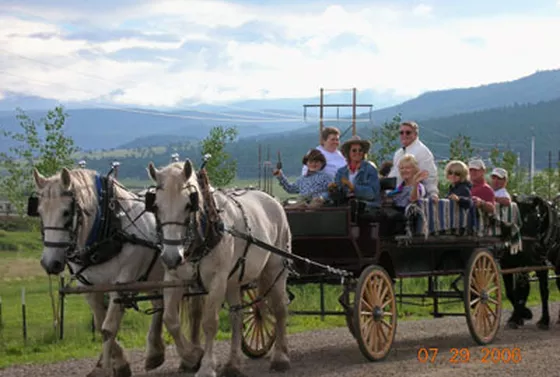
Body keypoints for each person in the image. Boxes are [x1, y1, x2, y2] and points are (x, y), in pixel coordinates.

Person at [327, 135, 381, 211]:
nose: (358, 152)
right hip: (346, 205)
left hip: (367, 206)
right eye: (354, 150)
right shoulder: (341, 172)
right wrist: (333, 189)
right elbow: (339, 192)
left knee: (352, 207)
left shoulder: (370, 169)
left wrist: (353, 187)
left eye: (360, 150)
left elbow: (372, 194)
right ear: (348, 153)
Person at [388, 121, 439, 198]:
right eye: (401, 133)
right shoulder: (398, 153)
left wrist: (433, 193)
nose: (404, 135)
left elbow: (430, 176)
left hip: (414, 196)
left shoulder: (423, 152)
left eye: (408, 132)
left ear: (415, 134)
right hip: (397, 195)